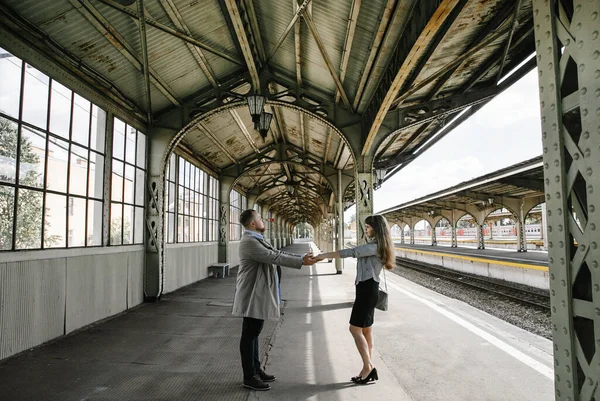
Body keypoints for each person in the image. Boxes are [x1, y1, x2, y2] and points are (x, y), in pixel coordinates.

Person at [232, 209, 319, 391]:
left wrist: (301, 257)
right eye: (259, 218)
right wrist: (302, 262)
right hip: (251, 294)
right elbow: (274, 257)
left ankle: (255, 369)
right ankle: (249, 376)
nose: (263, 220)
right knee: (249, 334)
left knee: (254, 332)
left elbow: (276, 253)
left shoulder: (257, 238)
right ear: (252, 223)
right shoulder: (249, 242)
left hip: (258, 292)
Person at [315, 215, 395, 385]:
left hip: (367, 290)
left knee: (354, 329)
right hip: (367, 289)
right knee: (366, 331)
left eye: (368, 227)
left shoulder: (375, 246)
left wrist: (322, 255)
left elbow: (351, 252)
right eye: (365, 226)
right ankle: (366, 368)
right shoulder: (376, 245)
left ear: (377, 228)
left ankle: (368, 367)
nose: (366, 229)